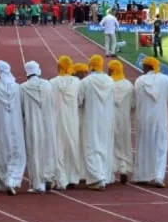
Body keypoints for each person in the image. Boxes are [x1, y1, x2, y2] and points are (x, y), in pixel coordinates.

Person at [133, 56, 168, 188]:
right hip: (160, 117)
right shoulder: (165, 80)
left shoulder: (140, 81)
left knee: (144, 146)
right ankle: (158, 176)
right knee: (160, 147)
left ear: (148, 67)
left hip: (144, 117)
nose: (142, 68)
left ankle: (142, 175)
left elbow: (136, 100)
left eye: (143, 66)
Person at [0, 61, 26, 195]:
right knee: (16, 152)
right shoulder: (18, 88)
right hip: (15, 125)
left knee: (0, 153)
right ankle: (12, 180)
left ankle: (2, 182)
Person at [77, 55, 115, 190]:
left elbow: (79, 101)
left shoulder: (86, 82)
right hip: (107, 119)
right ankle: (104, 175)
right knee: (105, 146)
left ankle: (97, 178)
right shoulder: (110, 81)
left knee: (91, 147)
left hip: (91, 118)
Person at [20, 61, 56, 194]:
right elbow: (52, 103)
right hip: (48, 122)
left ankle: (37, 183)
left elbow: (22, 109)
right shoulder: (47, 85)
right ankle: (48, 177)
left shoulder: (23, 88)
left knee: (34, 151)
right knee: (48, 149)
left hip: (32, 124)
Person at [49, 56, 82, 189]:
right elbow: (80, 100)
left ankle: (60, 179)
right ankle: (73, 177)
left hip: (57, 119)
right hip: (72, 119)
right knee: (72, 147)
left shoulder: (52, 83)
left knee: (58, 148)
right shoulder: (77, 82)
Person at [109, 60, 134, 185]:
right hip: (124, 119)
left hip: (109, 119)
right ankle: (124, 169)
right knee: (124, 145)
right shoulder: (129, 85)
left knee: (110, 144)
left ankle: (111, 171)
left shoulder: (108, 84)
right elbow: (133, 104)